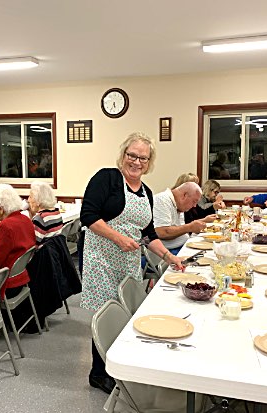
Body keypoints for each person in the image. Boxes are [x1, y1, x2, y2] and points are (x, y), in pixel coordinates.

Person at [80, 132, 184, 394]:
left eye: (143, 158)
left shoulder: (146, 192)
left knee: (125, 314)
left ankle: (119, 366)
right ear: (123, 155)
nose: (136, 162)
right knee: (106, 314)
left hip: (127, 261)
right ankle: (99, 373)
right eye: (132, 156)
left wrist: (170, 257)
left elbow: (148, 234)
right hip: (101, 259)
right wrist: (117, 238)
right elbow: (88, 215)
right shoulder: (107, 178)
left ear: (149, 163)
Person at [0, 184, 38, 331]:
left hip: (7, 283)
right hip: (21, 277)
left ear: (1, 208)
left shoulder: (5, 227)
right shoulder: (25, 219)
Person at [153, 182, 215, 254]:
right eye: (194, 201)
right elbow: (162, 232)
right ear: (185, 195)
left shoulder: (179, 204)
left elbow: (179, 229)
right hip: (168, 252)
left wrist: (194, 225)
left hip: (181, 246)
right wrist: (190, 227)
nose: (195, 206)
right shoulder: (162, 200)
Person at [28, 180, 63, 246]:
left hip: (44, 254)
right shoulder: (56, 212)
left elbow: (33, 245)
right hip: (57, 252)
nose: (28, 200)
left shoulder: (40, 218)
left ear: (38, 201)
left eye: (30, 197)